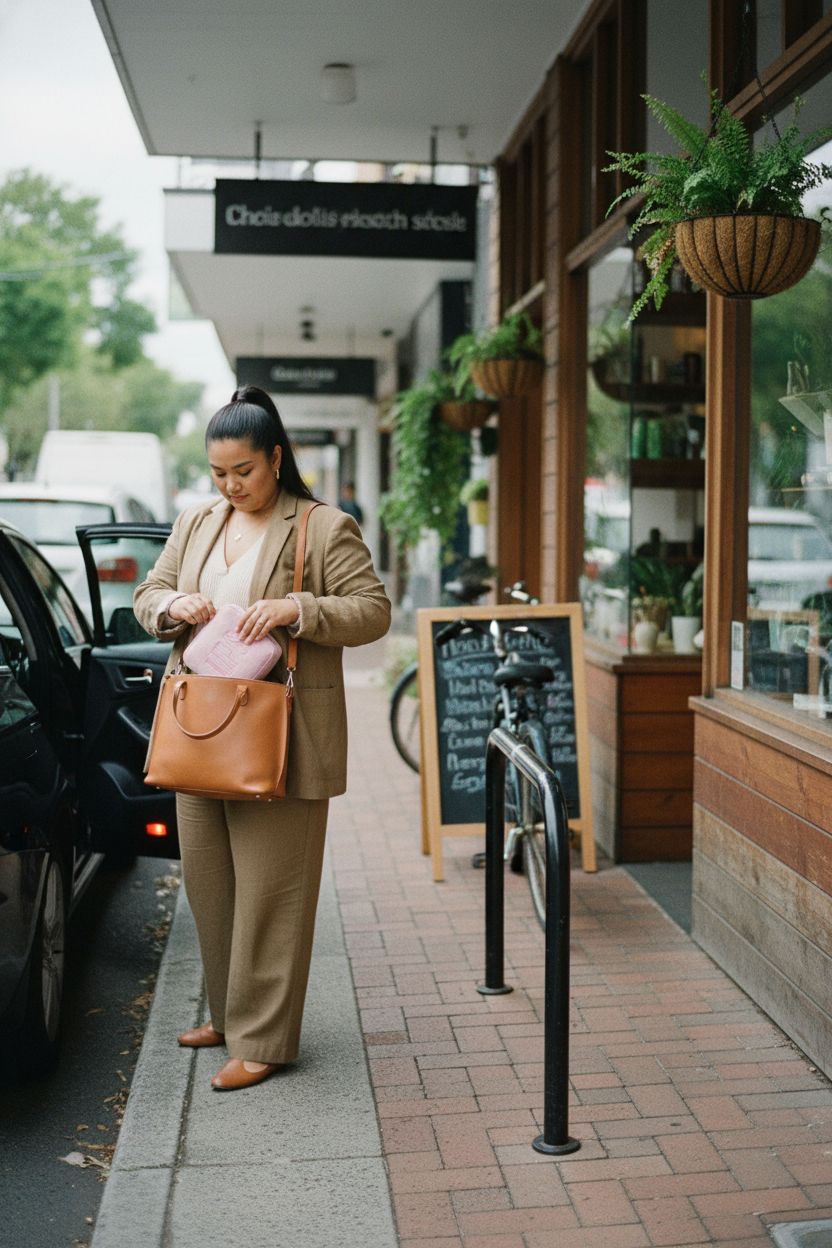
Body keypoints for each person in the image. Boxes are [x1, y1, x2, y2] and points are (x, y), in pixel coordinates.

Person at [133, 385, 390, 1091]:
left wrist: (296, 608)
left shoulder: (322, 526)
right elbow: (147, 595)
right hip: (199, 727)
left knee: (274, 894)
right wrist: (172, 605)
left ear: (276, 458)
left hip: (281, 734)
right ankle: (227, 1014)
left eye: (243, 471)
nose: (230, 485)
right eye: (218, 473)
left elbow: (372, 611)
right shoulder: (196, 523)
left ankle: (265, 1039)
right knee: (211, 887)